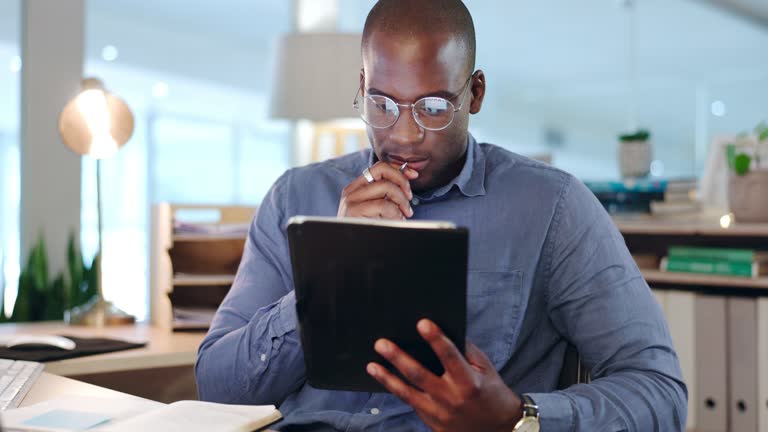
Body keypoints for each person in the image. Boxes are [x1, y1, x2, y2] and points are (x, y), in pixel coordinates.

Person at [195, 0, 687, 430]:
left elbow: (660, 393)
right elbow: (217, 387)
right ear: (362, 85)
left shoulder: (552, 208)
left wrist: (517, 417)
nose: (404, 135)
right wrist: (329, 273)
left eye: (432, 107)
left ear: (475, 93)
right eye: (382, 104)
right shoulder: (295, 196)